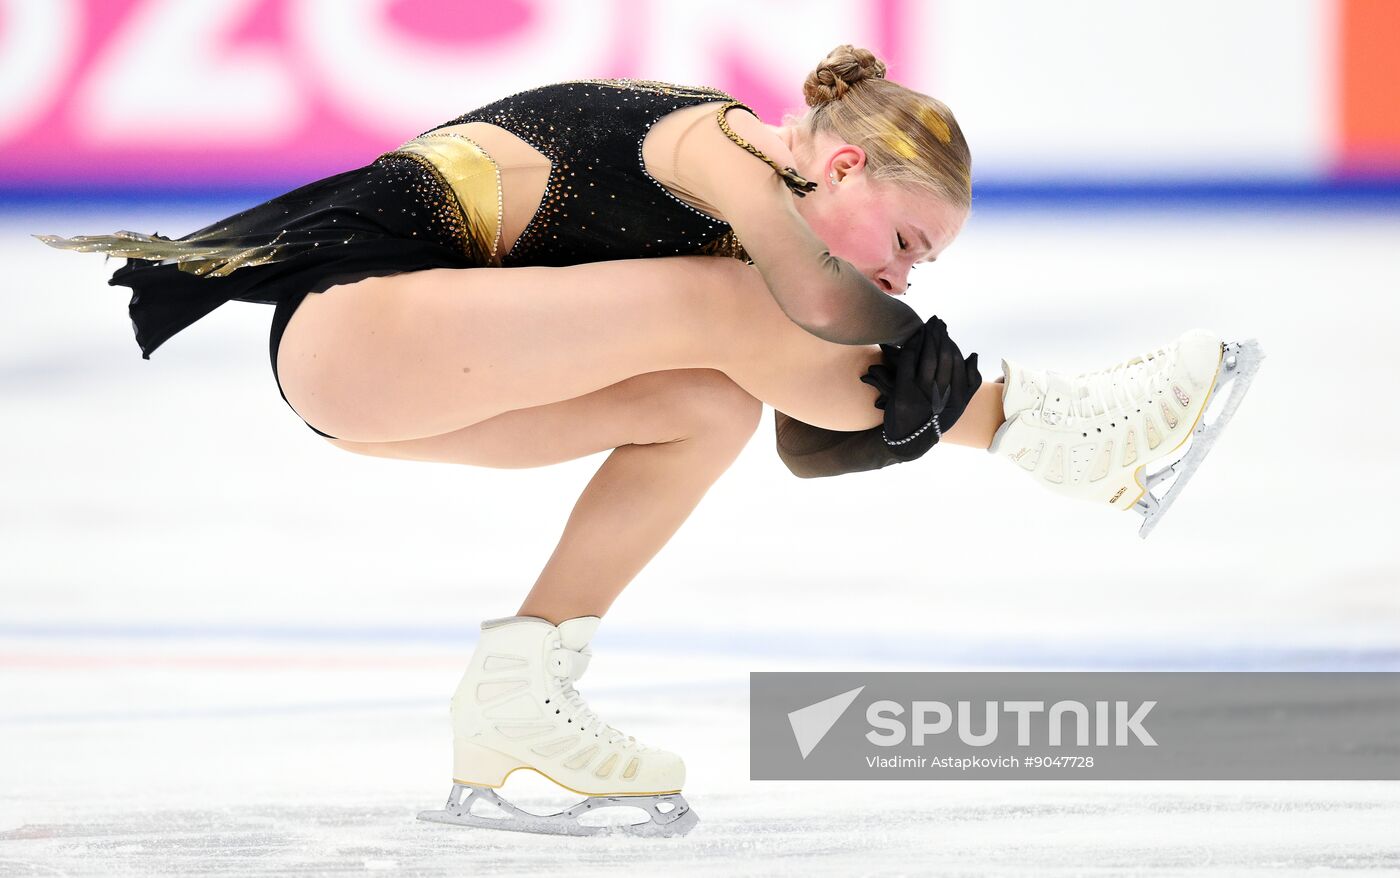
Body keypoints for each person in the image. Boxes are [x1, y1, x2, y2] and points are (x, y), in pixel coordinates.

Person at [33, 45, 1259, 836]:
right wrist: (964, 389)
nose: (897, 274)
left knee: (708, 401)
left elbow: (813, 432)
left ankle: (516, 692)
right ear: (839, 162)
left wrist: (911, 397)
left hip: (408, 363)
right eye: (904, 242)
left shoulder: (770, 222)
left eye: (917, 266)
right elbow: (818, 309)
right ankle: (1055, 434)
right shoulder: (724, 155)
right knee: (720, 314)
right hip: (355, 323)